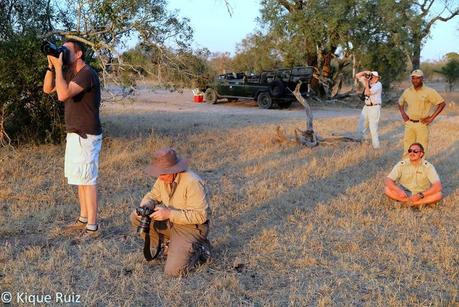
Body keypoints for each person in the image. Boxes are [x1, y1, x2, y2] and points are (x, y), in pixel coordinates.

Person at [43, 40, 102, 238]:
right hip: (75, 133)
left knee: (88, 179)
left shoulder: (87, 73)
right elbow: (47, 89)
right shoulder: (69, 71)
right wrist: (51, 67)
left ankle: (92, 227)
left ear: (79, 54)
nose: (63, 53)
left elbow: (62, 95)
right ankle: (83, 218)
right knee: (80, 178)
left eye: (67, 51)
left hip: (86, 134)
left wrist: (60, 68)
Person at [130, 148, 211, 277]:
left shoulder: (193, 182)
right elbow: (153, 195)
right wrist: (147, 204)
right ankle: (167, 245)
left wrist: (169, 214)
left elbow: (201, 216)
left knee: (173, 272)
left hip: (191, 228)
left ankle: (200, 249)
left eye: (164, 173)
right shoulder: (163, 178)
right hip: (171, 222)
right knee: (136, 216)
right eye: (159, 172)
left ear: (175, 169)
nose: (160, 177)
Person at [398, 69, 445, 157]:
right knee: (407, 148)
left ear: (422, 78)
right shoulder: (407, 91)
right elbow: (400, 102)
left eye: (417, 78)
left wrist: (431, 118)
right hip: (409, 123)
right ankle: (406, 168)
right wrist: (403, 113)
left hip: (422, 124)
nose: (415, 80)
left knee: (422, 149)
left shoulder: (429, 91)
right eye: (413, 78)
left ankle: (421, 169)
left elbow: (442, 103)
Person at [384, 142, 442, 207]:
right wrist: (398, 190)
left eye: (415, 151)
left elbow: (438, 186)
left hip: (421, 194)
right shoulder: (402, 164)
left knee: (438, 195)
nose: (412, 153)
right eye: (410, 151)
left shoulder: (428, 166)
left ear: (421, 154)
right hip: (405, 194)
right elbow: (388, 180)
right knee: (387, 190)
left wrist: (420, 195)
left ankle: (407, 203)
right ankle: (418, 204)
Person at [355, 70, 382, 149]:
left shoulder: (378, 85)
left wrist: (366, 83)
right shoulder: (368, 81)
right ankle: (364, 142)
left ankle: (376, 147)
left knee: (373, 127)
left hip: (374, 107)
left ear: (377, 78)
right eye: (371, 76)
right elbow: (357, 75)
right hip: (366, 107)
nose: (371, 78)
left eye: (373, 77)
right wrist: (365, 72)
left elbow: (367, 93)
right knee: (361, 126)